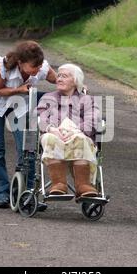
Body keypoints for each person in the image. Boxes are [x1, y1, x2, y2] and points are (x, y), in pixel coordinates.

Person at [0, 41, 57, 208]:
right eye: (33, 67)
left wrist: (75, 85)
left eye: (39, 67)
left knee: (27, 148)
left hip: (21, 106)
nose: (37, 70)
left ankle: (26, 194)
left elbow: (59, 81)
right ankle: (1, 194)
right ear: (20, 62)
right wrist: (20, 90)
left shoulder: (41, 67)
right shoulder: (4, 66)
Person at [37, 63, 100, 198]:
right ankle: (59, 184)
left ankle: (83, 185)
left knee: (81, 139)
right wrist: (51, 129)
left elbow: (92, 120)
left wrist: (77, 131)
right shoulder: (48, 98)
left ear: (75, 81)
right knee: (49, 138)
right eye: (58, 76)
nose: (59, 79)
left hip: (79, 134)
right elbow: (41, 118)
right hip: (54, 133)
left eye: (64, 76)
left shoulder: (88, 100)